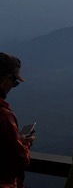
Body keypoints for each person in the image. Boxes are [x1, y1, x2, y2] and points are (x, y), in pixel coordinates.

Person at [0, 53, 34, 188]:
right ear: (4, 80)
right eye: (14, 82)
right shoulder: (4, 116)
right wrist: (25, 144)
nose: (12, 87)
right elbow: (18, 161)